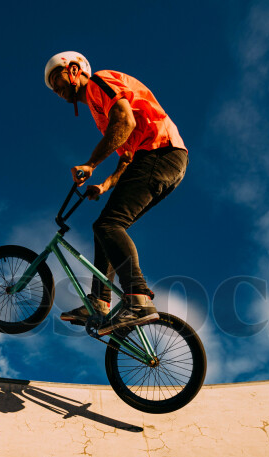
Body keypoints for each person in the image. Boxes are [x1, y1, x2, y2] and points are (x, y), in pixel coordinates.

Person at [44, 51, 189, 335]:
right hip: (158, 160)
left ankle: (138, 299)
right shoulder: (98, 113)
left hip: (161, 152)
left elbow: (126, 122)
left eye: (56, 78)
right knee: (104, 228)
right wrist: (105, 185)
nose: (56, 89)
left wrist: (91, 164)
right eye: (51, 87)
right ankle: (99, 303)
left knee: (110, 224)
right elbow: (126, 158)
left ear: (74, 70)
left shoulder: (99, 81)